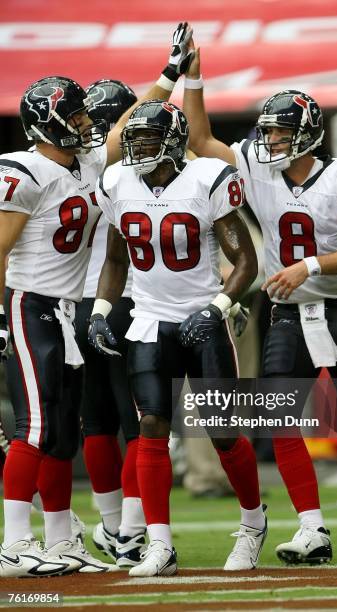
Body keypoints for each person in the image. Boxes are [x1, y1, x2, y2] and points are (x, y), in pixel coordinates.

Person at [183, 47, 337, 563]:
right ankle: (312, 530)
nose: (269, 140)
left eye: (279, 132)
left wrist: (312, 266)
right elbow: (198, 140)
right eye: (268, 131)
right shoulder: (257, 166)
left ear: (305, 133)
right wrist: (193, 79)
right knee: (278, 420)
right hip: (287, 312)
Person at [0, 21, 195, 577]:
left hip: (64, 312)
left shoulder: (85, 162)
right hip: (31, 302)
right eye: (79, 115)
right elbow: (0, 250)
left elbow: (124, 130)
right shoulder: (24, 171)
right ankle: (15, 542)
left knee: (60, 432)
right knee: (36, 429)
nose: (90, 125)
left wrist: (169, 75)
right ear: (50, 122)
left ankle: (60, 541)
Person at [89, 99, 267, 576]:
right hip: (148, 320)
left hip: (202, 317)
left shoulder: (205, 178)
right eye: (134, 140)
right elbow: (115, 259)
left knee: (223, 433)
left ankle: (253, 525)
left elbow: (246, 262)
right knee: (151, 428)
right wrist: (103, 311)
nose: (136, 149)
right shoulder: (117, 182)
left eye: (146, 139)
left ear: (170, 142)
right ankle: (159, 543)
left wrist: (218, 308)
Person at [75, 79, 147, 568]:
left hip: (71, 304)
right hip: (120, 298)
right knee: (140, 421)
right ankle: (134, 529)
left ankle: (109, 522)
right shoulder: (120, 166)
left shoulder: (61, 164)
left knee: (93, 420)